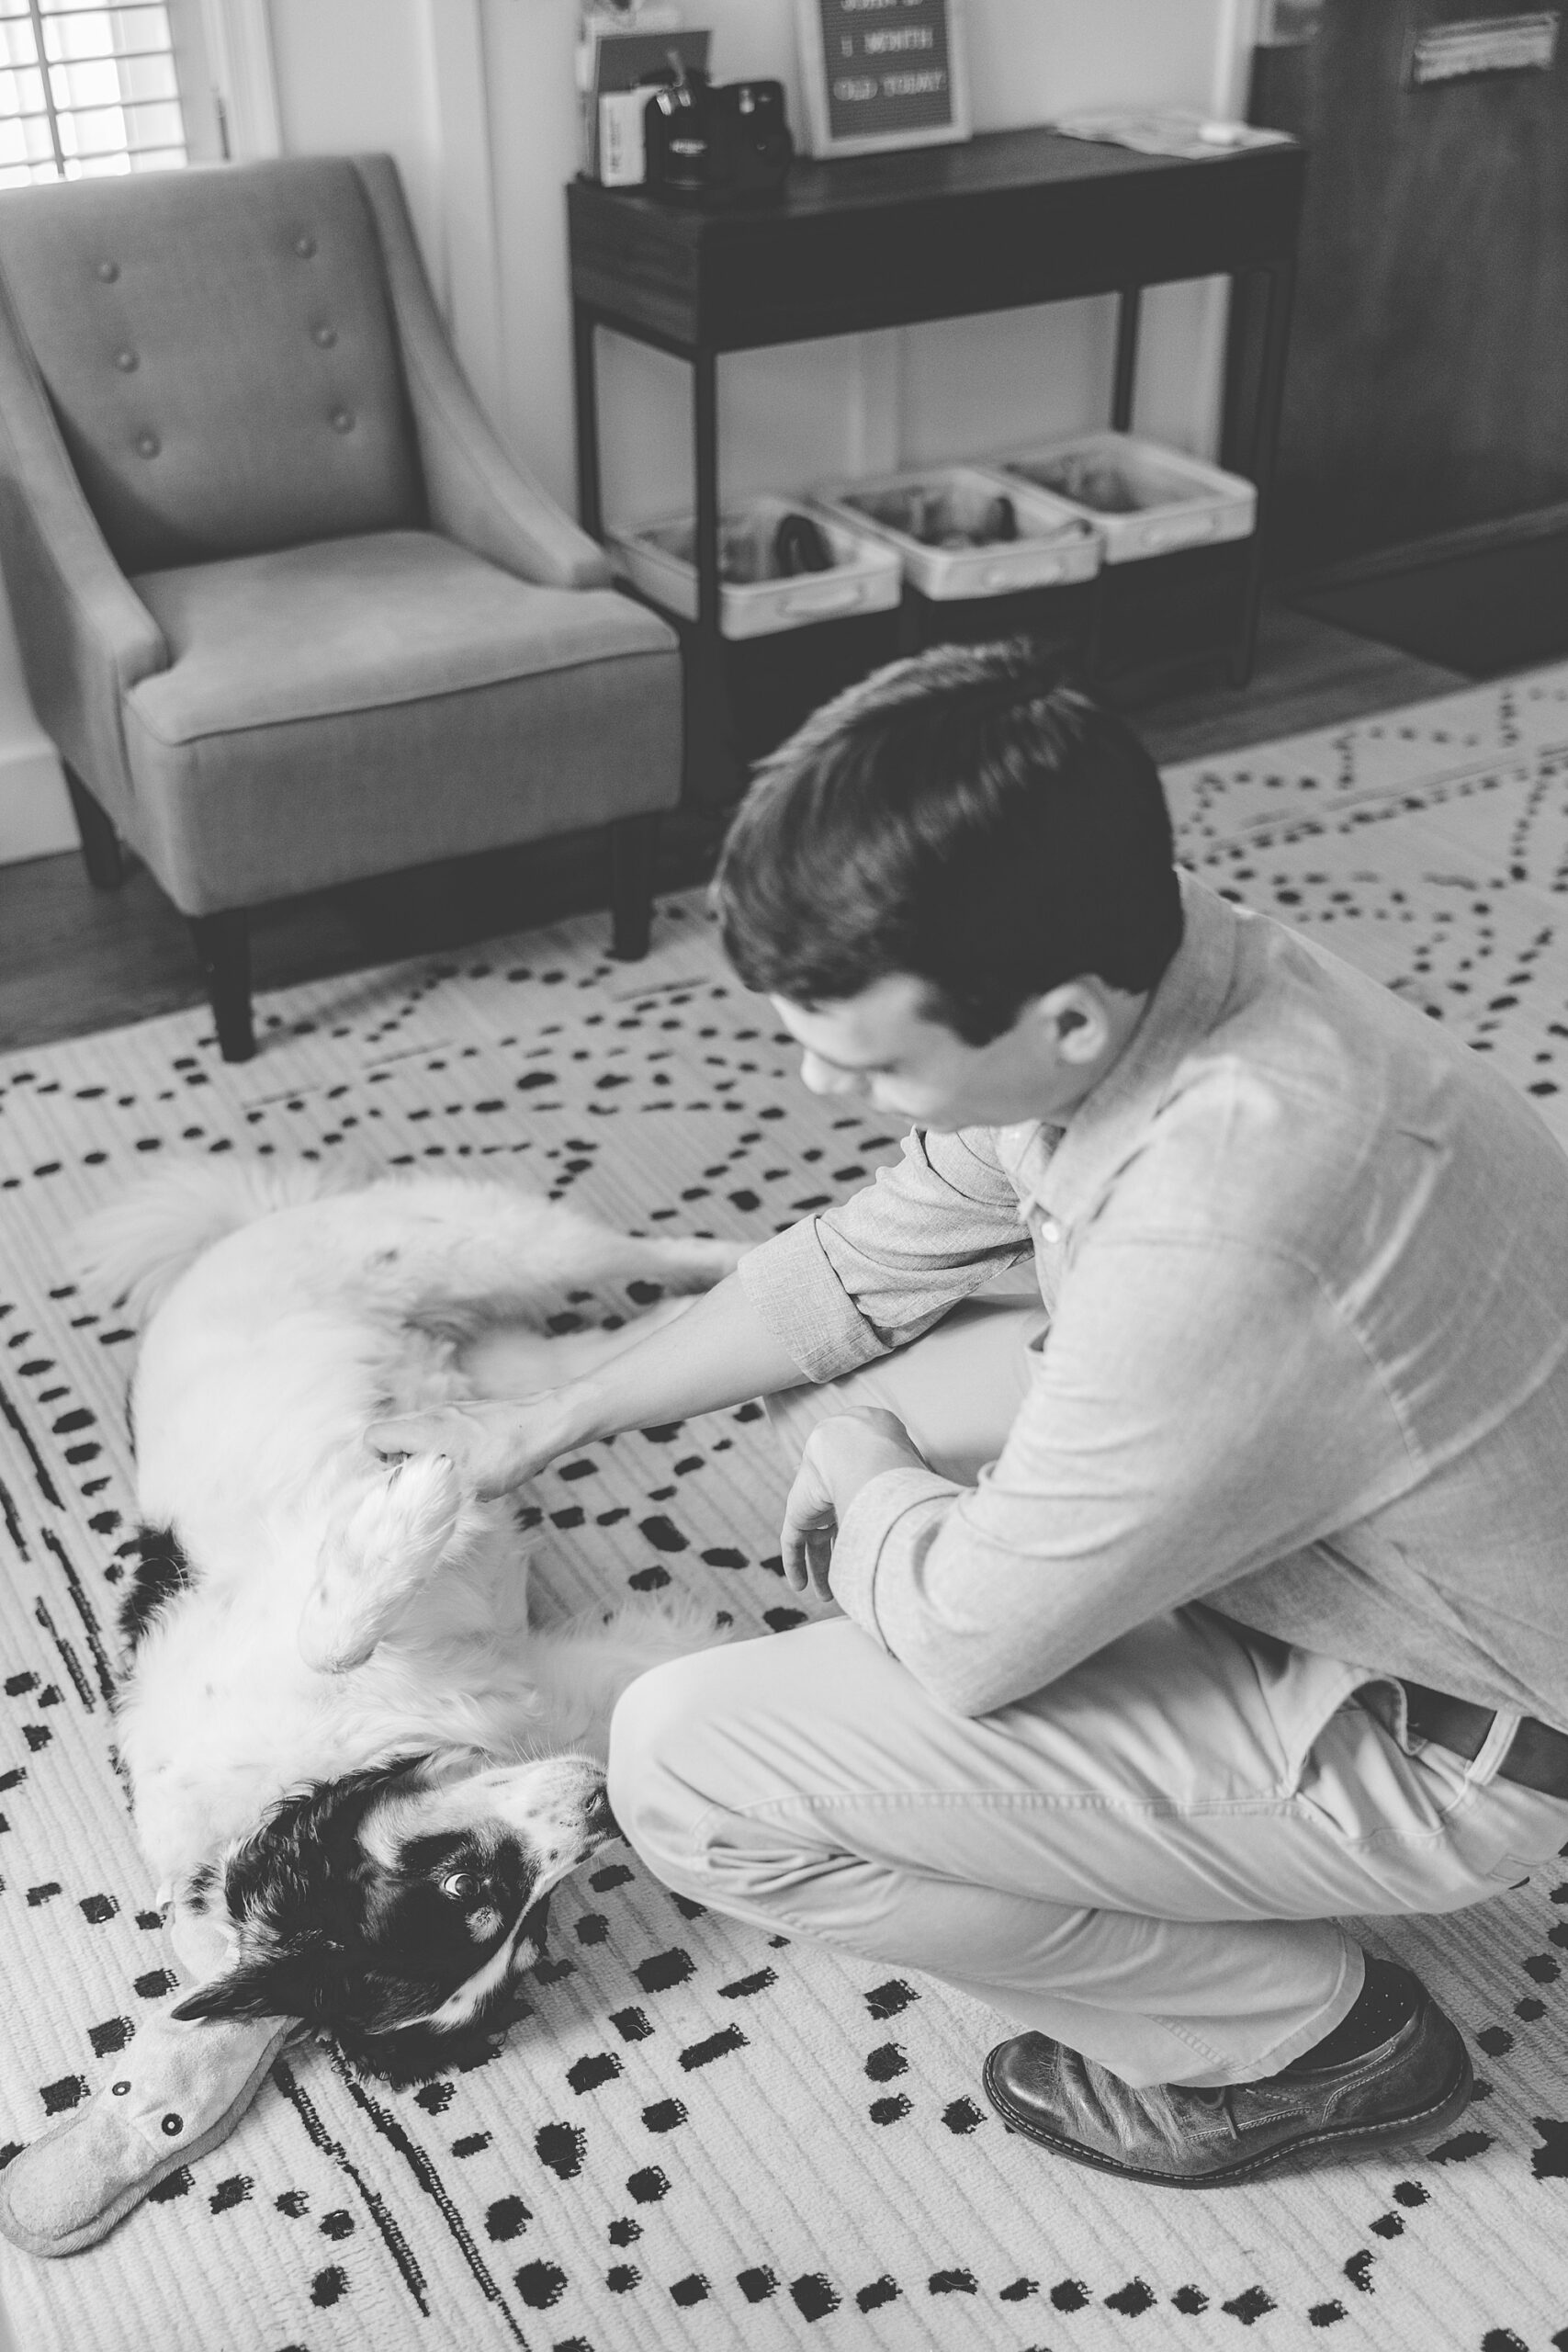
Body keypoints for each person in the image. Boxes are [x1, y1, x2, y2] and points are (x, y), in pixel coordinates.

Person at [370, 640, 1568, 2188]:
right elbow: (853, 1270)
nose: (809, 1087)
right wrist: (545, 1424)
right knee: (909, 1379)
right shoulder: (1163, 963)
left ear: (1062, 1023)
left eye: (860, 1057)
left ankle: (1304, 2042)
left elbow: (968, 1641)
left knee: (686, 1763)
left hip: (1444, 1734)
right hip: (1398, 1553)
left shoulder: (1224, 1224)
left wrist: (868, 1487)